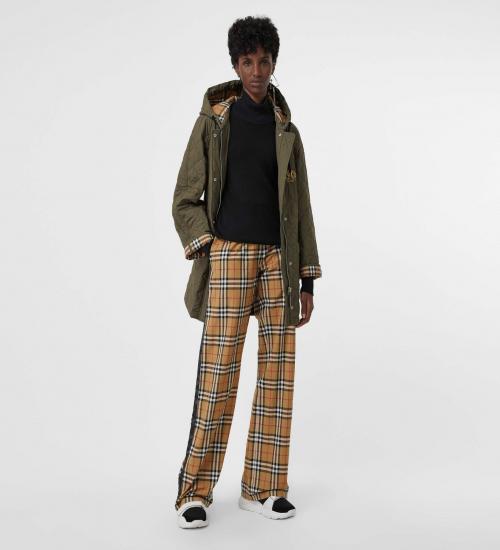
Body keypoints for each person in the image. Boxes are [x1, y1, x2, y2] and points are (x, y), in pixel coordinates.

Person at [171, 15, 322, 529]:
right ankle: (194, 491)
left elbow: (300, 207)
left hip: (279, 260)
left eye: (264, 61)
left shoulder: (287, 131)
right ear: (235, 65)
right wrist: (210, 247)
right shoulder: (215, 122)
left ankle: (263, 487)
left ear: (274, 63)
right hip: (230, 257)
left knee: (278, 374)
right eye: (247, 61)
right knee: (219, 374)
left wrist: (306, 279)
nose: (257, 71)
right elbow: (184, 197)